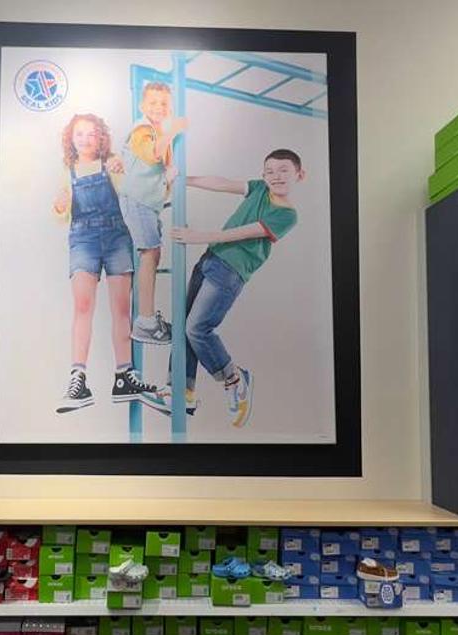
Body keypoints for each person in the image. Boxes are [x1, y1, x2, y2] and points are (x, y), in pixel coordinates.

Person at [169, 148, 304, 427]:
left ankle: (233, 378)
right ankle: (181, 390)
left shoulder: (288, 215)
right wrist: (184, 179)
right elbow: (222, 183)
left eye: (284, 171)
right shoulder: (259, 188)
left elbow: (243, 233)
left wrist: (198, 236)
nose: (276, 176)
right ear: (263, 175)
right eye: (270, 171)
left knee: (197, 328)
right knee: (184, 326)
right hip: (210, 258)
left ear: (299, 175)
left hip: (230, 272)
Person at [52, 113, 166, 414]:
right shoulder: (66, 170)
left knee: (121, 309)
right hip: (83, 238)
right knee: (83, 306)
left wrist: (122, 168)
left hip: (117, 236)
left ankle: (124, 376)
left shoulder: (112, 163)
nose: (85, 139)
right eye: (79, 133)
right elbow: (61, 210)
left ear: (101, 138)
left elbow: (132, 192)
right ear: (71, 138)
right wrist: (59, 206)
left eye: (92, 133)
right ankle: (78, 379)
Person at [118, 81, 187, 345]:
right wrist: (173, 130)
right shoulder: (142, 130)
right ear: (142, 106)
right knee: (150, 253)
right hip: (137, 201)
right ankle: (145, 322)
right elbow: (152, 154)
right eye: (153, 103)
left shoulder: (157, 132)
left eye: (164, 104)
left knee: (152, 254)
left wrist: (167, 178)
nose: (159, 107)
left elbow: (156, 167)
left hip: (145, 201)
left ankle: (145, 319)